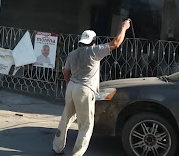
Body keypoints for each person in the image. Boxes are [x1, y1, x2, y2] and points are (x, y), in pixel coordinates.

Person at [53, 19, 131, 156]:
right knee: (86, 125)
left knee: (66, 118)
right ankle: (76, 154)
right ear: (93, 41)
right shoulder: (93, 51)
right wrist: (124, 28)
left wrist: (70, 84)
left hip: (71, 87)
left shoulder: (73, 53)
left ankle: (57, 147)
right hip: (85, 90)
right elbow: (116, 43)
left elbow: (66, 72)